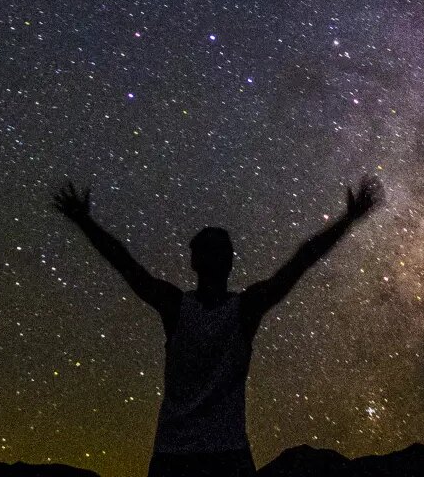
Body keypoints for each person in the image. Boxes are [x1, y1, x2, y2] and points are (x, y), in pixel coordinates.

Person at [51, 176, 382, 477]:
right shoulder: (241, 308)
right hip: (223, 454)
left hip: (179, 453)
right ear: (228, 261)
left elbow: (127, 267)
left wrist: (84, 221)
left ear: (196, 262)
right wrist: (347, 220)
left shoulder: (177, 306)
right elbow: (300, 262)